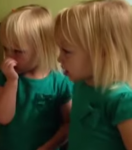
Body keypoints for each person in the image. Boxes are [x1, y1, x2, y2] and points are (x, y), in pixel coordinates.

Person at [54, 0, 132, 150]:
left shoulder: (122, 101)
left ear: (103, 54)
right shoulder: (80, 85)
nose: (59, 58)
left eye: (67, 51)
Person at [0, 4, 72, 150]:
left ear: (43, 48)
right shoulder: (5, 75)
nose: (9, 57)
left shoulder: (60, 81)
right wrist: (12, 82)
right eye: (5, 49)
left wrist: (48, 146)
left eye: (18, 51)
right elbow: (2, 118)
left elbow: (68, 124)